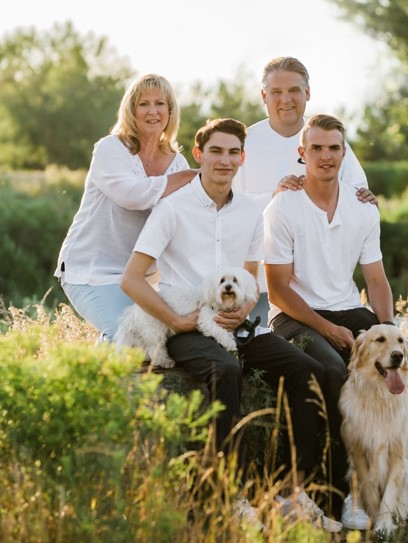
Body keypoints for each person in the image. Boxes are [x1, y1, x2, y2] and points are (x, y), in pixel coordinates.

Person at [120, 118, 343, 532]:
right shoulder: (173, 209)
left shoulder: (250, 213)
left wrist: (243, 311)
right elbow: (131, 278)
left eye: (233, 152)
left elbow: (250, 278)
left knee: (309, 370)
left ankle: (291, 493)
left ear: (243, 158)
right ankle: (224, 497)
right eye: (216, 152)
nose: (225, 160)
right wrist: (175, 320)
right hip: (182, 323)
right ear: (200, 155)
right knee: (226, 369)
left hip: (234, 323)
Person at [263, 114, 408, 528]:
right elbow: (278, 291)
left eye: (334, 148)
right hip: (293, 316)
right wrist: (326, 329)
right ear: (302, 154)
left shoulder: (361, 209)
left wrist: (390, 338)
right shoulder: (282, 207)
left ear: (344, 153)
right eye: (317, 148)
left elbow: (375, 279)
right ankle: (349, 497)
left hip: (347, 308)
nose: (326, 156)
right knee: (330, 368)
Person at [233, 56, 377, 327]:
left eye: (294, 90)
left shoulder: (323, 137)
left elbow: (356, 194)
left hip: (319, 291)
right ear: (264, 96)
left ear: (308, 93)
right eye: (276, 92)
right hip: (255, 286)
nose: (285, 99)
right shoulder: (245, 144)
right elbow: (224, 205)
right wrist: (273, 197)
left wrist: (365, 198)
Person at [55, 74, 195, 341]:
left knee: (152, 338)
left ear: (170, 110)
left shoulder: (178, 162)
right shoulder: (111, 149)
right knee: (128, 336)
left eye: (160, 104)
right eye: (144, 104)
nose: (152, 111)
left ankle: (93, 376)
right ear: (131, 110)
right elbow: (132, 196)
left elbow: (185, 219)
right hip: (91, 269)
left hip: (139, 278)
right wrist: (186, 178)